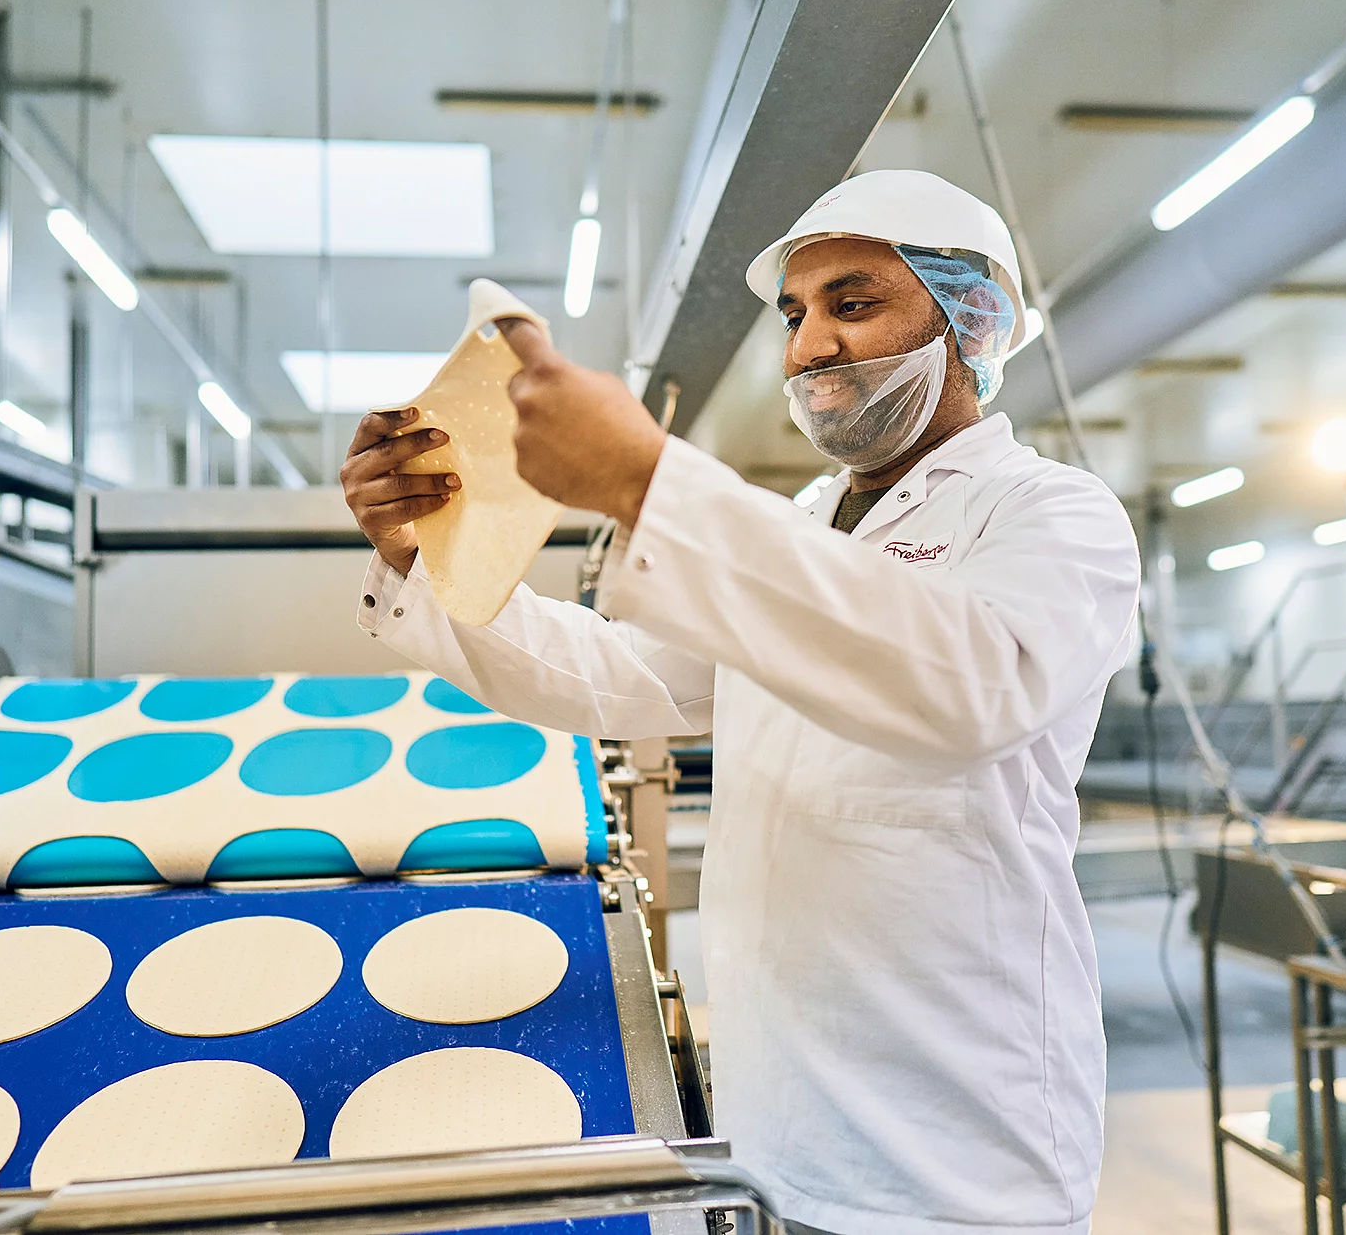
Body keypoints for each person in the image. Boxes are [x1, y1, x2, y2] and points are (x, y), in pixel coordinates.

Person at [341, 169, 1140, 1235]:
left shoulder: (1051, 515)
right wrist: (420, 561)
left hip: (956, 1148)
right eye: (796, 315)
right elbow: (618, 675)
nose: (809, 345)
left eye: (853, 305)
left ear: (968, 320)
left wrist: (645, 481)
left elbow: (972, 680)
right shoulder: (800, 525)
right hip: (783, 1127)